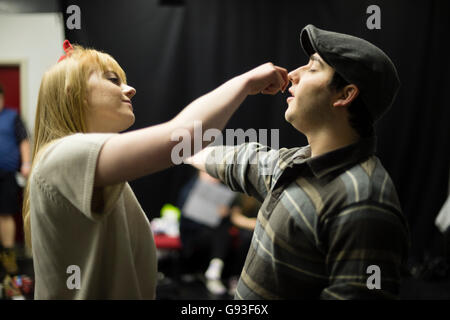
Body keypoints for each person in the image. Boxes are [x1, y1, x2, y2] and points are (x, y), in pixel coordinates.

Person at [22, 40, 288, 299]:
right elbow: (181, 138)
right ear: (72, 92)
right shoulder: (62, 156)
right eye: (114, 80)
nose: (130, 89)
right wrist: (245, 82)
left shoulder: (82, 165)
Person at [186, 24, 410, 299]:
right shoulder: (294, 164)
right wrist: (243, 85)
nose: (292, 75)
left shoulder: (364, 201)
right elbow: (215, 154)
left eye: (313, 68)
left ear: (345, 94)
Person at [178, 170, 237, 295]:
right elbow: (185, 218)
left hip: (214, 234)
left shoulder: (221, 191)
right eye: (209, 174)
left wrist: (224, 213)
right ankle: (215, 268)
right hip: (194, 236)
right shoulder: (189, 190)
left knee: (223, 230)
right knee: (219, 231)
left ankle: (216, 268)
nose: (213, 179)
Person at [0, 83, 31, 275]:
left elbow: (24, 141)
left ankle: (9, 257)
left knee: (5, 214)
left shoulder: (13, 117)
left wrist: (26, 164)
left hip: (8, 174)